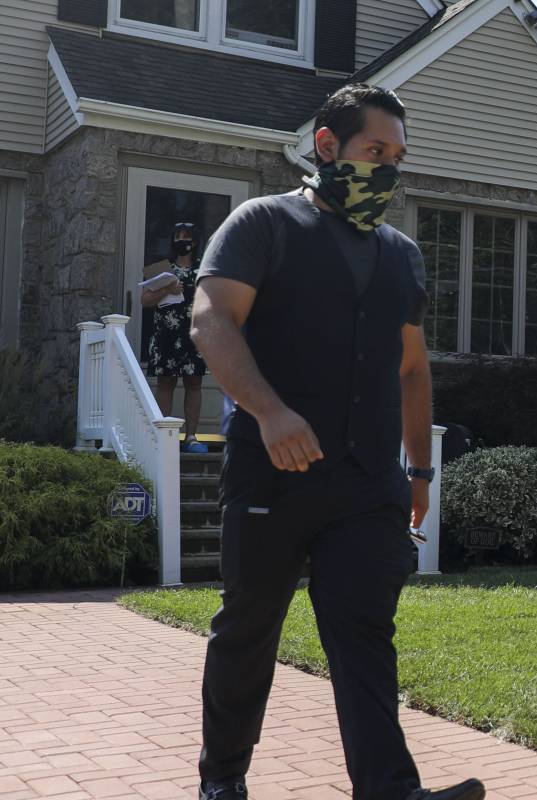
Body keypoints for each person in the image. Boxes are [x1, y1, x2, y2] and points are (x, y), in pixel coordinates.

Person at [188, 84, 484, 800]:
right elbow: (211, 320)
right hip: (272, 471)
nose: (387, 169)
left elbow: (412, 369)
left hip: (367, 483)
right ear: (328, 146)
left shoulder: (401, 254)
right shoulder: (263, 223)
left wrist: (419, 472)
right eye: (374, 151)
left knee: (363, 632)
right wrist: (269, 411)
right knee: (249, 628)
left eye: (397, 158)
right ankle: (223, 778)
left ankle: (390, 790)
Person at [142, 221, 210, 453]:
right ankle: (162, 438)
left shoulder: (205, 268)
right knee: (166, 382)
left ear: (195, 241)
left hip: (195, 335)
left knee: (194, 383)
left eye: (187, 236)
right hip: (166, 336)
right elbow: (144, 300)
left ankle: (191, 437)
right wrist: (166, 290)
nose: (182, 240)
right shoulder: (162, 269)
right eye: (178, 236)